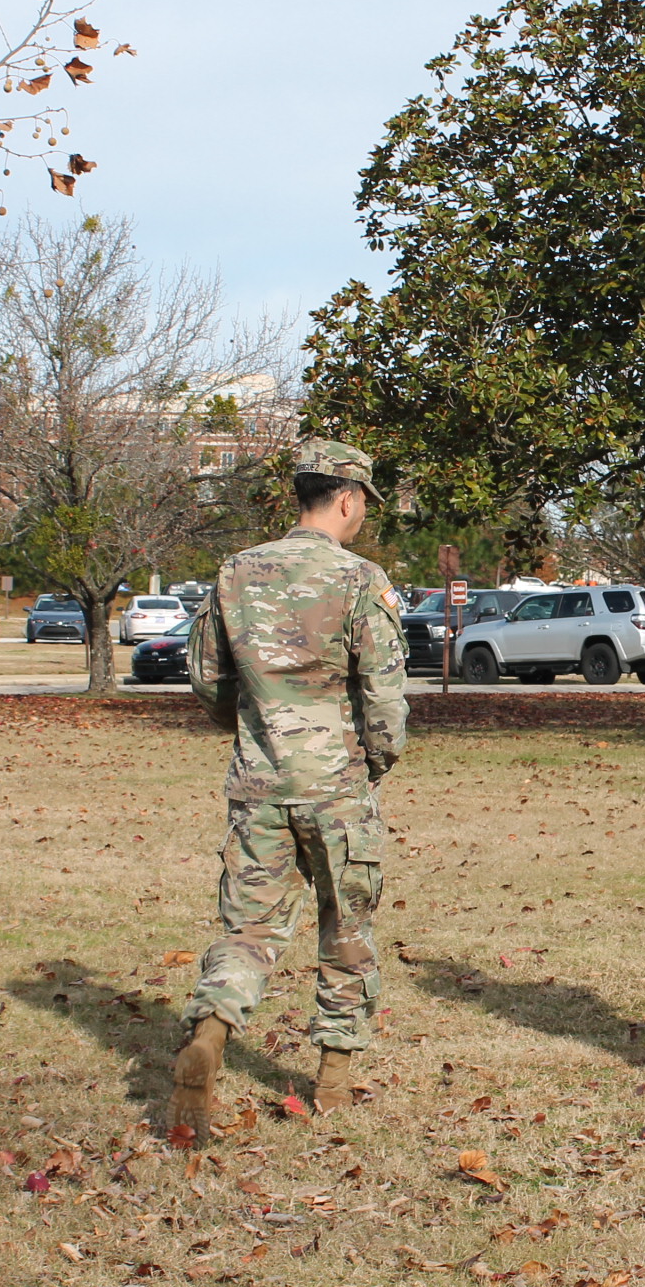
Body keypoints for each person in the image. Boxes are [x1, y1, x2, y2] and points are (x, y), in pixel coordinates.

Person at [170, 439, 408, 1135]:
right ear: (347, 499)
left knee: (249, 929)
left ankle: (211, 1031)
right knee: (346, 926)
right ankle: (333, 1081)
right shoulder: (361, 579)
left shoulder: (236, 572)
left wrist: (251, 731)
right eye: (363, 503)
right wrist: (376, 762)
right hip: (337, 786)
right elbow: (385, 695)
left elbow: (207, 678)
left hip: (259, 783)